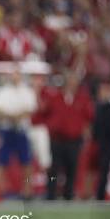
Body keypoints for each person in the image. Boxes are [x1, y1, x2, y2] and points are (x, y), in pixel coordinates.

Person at [44, 72, 94, 200]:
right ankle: (51, 194)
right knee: (54, 169)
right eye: (70, 80)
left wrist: (86, 130)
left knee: (72, 167)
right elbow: (45, 113)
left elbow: (89, 116)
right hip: (57, 139)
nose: (72, 83)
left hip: (74, 139)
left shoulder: (82, 98)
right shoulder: (55, 97)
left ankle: (68, 193)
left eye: (74, 81)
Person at [0, 67, 37, 198]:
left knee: (26, 162)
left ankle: (27, 191)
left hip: (22, 130)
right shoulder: (2, 91)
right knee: (1, 161)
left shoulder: (27, 91)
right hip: (6, 129)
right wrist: (11, 117)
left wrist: (17, 117)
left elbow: (31, 109)